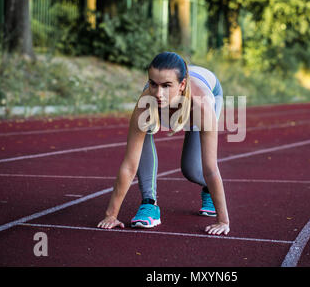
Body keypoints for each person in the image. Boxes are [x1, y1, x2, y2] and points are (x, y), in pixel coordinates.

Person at [97, 51, 229, 235]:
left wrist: (223, 221)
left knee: (192, 169)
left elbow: (211, 168)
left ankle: (209, 190)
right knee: (143, 141)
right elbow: (129, 165)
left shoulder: (202, 104)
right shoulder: (146, 102)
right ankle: (149, 204)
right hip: (175, 98)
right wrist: (111, 215)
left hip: (206, 94)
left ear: (182, 85)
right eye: (153, 84)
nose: (159, 93)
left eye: (166, 86)